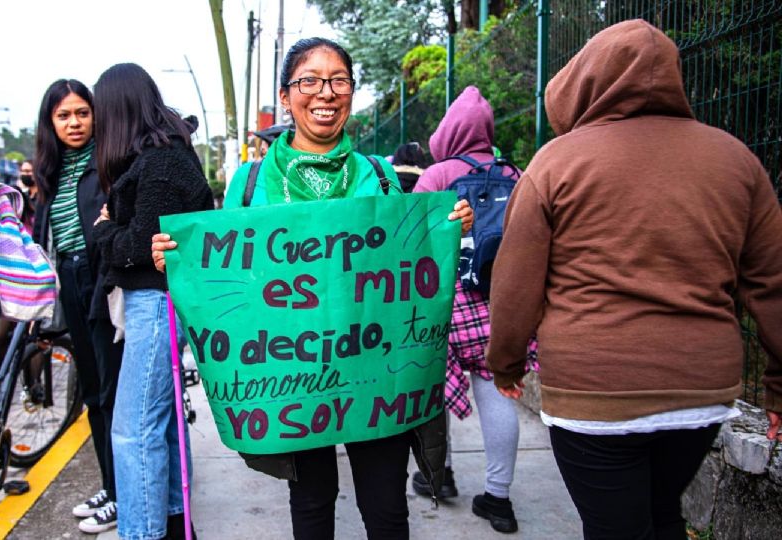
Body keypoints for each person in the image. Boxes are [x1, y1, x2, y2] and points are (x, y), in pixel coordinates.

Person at [151, 37, 474, 540]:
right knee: (311, 501)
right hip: (291, 374)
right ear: (286, 96)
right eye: (309, 81)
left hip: (374, 372)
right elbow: (229, 276)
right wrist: (178, 257)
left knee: (386, 506)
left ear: (350, 91)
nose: (325, 92)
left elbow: (409, 260)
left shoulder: (381, 176)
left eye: (338, 80)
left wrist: (449, 226)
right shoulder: (251, 182)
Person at [486, 20, 782, 540]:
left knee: (613, 526)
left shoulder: (555, 164)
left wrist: (505, 364)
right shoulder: (736, 159)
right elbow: (772, 282)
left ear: (585, 81)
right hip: (701, 390)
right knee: (665, 513)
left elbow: (515, 287)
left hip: (593, 392)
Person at [91, 63, 214, 540]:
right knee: (158, 428)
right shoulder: (164, 154)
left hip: (156, 304)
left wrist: (104, 231)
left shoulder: (159, 161)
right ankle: (170, 524)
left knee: (134, 431)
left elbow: (143, 245)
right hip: (157, 303)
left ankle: (143, 533)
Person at [409, 85, 535, 534]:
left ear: (450, 130)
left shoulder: (438, 174)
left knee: (433, 390)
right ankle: (498, 500)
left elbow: (414, 239)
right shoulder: (516, 173)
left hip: (446, 301)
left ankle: (436, 476)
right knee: (500, 391)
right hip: (500, 300)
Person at [32, 79, 124, 534]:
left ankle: (126, 494)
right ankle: (112, 484)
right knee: (91, 394)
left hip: (101, 279)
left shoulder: (107, 163)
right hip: (69, 277)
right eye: (64, 115)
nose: (74, 123)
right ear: (50, 122)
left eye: (82, 113)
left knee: (111, 391)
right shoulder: (49, 171)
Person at [16, 158, 37, 232]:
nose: (24, 174)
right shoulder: (23, 196)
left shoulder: (43, 197)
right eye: (22, 171)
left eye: (27, 171)